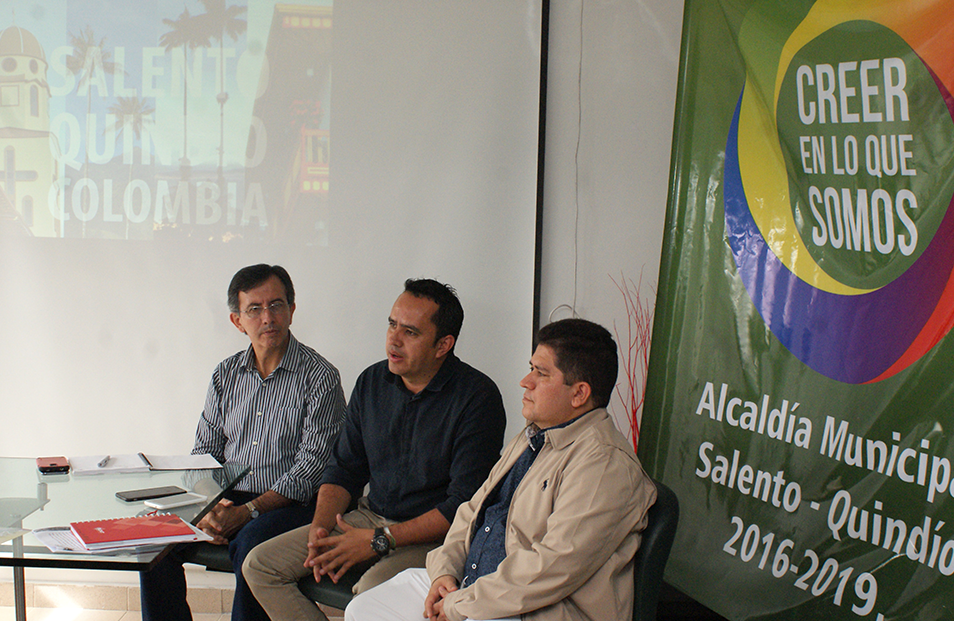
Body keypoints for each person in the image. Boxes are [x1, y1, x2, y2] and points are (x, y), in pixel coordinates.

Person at [343, 318, 657, 621]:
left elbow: (549, 569)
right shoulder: (534, 435)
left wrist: (461, 604)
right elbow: (471, 511)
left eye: (541, 373)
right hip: (477, 588)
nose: (526, 381)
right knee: (364, 610)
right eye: (530, 368)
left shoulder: (604, 465)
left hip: (535, 610)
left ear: (579, 394)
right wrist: (444, 574)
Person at [243, 278, 506, 621]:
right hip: (370, 515)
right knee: (260, 565)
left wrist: (379, 540)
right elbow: (344, 468)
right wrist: (319, 530)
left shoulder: (477, 398)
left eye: (410, 332)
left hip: (434, 535)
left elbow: (461, 506)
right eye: (392, 324)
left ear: (443, 344)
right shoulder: (371, 381)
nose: (393, 340)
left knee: (370, 596)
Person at [140, 264, 347, 621]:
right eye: (255, 309)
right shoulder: (225, 374)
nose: (268, 318)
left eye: (277, 305)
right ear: (237, 321)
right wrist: (210, 510)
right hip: (226, 500)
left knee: (252, 544)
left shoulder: (320, 377)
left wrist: (247, 513)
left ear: (292, 311)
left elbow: (312, 469)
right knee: (151, 533)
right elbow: (203, 456)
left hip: (291, 504)